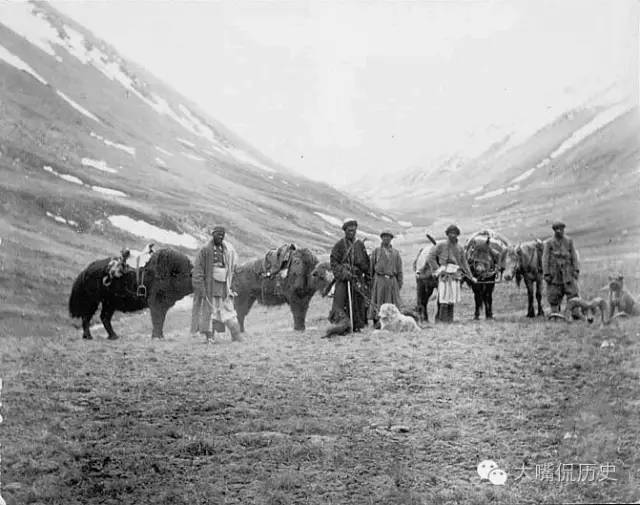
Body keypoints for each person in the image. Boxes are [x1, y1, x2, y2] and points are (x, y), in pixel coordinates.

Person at [192, 226, 242, 343]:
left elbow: (234, 269)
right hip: (210, 287)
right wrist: (201, 290)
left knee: (228, 310)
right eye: (218, 234)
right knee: (210, 313)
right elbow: (198, 271)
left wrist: (233, 285)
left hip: (225, 287)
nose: (221, 236)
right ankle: (210, 338)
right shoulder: (204, 250)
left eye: (222, 234)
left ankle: (236, 335)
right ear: (213, 234)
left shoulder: (228, 250)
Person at [325, 218, 370, 336]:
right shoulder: (339, 246)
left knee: (358, 302)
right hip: (344, 280)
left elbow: (366, 263)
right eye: (349, 231)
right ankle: (342, 325)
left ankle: (357, 325)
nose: (352, 233)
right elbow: (334, 262)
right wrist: (344, 272)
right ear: (345, 231)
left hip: (357, 279)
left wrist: (365, 277)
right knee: (340, 302)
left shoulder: (360, 245)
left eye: (354, 231)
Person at [426, 224, 476, 322]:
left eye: (454, 233)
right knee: (444, 298)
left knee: (452, 298)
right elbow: (430, 257)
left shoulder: (460, 248)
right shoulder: (441, 245)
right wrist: (438, 269)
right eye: (450, 233)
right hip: (444, 275)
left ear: (457, 235)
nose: (452, 235)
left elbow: (464, 263)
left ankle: (450, 320)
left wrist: (471, 277)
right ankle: (441, 320)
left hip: (455, 275)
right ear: (447, 234)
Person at [542, 221, 580, 316]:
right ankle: (555, 313)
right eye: (557, 229)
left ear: (564, 229)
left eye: (561, 229)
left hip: (568, 273)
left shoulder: (569, 241)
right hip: (554, 274)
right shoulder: (549, 243)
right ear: (554, 230)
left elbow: (574, 256)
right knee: (554, 294)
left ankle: (574, 312)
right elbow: (545, 258)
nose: (559, 231)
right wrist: (546, 274)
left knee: (573, 292)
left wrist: (576, 270)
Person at [368, 230, 403, 329]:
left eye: (388, 237)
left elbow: (399, 270)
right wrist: (372, 281)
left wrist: (399, 284)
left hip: (392, 281)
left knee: (392, 302)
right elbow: (371, 268)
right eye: (384, 237)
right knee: (378, 300)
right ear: (381, 238)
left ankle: (392, 323)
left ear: (391, 239)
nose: (386, 239)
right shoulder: (376, 252)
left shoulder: (396, 253)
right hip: (379, 280)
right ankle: (377, 322)